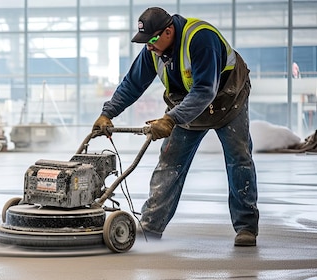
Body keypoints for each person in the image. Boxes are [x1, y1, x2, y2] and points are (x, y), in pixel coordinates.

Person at [92, 7, 259, 246]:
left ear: (169, 31)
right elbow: (132, 85)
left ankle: (246, 227)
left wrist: (171, 119)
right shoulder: (152, 50)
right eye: (144, 41)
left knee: (239, 158)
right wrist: (107, 113)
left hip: (228, 100)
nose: (148, 46)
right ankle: (151, 225)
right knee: (170, 162)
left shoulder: (201, 39)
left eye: (151, 40)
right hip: (186, 104)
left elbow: (205, 90)